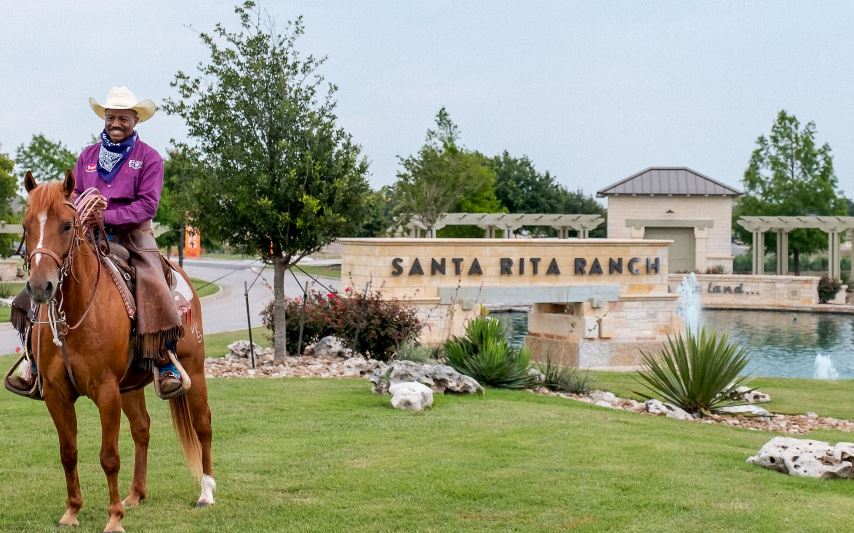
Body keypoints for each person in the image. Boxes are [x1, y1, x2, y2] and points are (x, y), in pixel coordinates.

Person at [8, 87, 185, 397]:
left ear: (135, 120)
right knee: (38, 285)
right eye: (111, 116)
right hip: (85, 236)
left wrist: (107, 215)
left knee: (153, 282)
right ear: (105, 118)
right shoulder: (88, 156)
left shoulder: (150, 158)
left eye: (123, 117)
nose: (116, 122)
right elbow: (72, 195)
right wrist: (78, 211)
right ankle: (33, 357)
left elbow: (147, 206)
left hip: (133, 238)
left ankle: (164, 359)